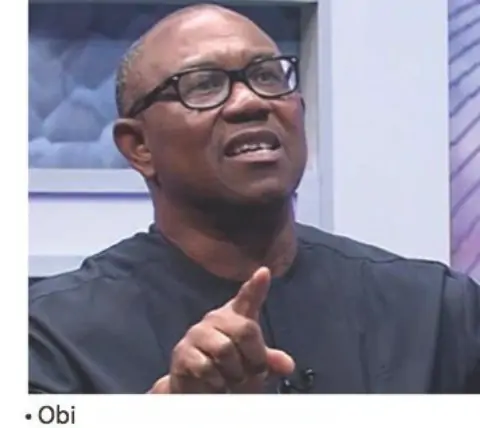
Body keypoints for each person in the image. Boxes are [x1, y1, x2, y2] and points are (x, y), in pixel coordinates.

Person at [29, 4, 480, 394]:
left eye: (267, 76)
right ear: (139, 147)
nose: (250, 102)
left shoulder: (436, 313)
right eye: (202, 85)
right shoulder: (52, 336)